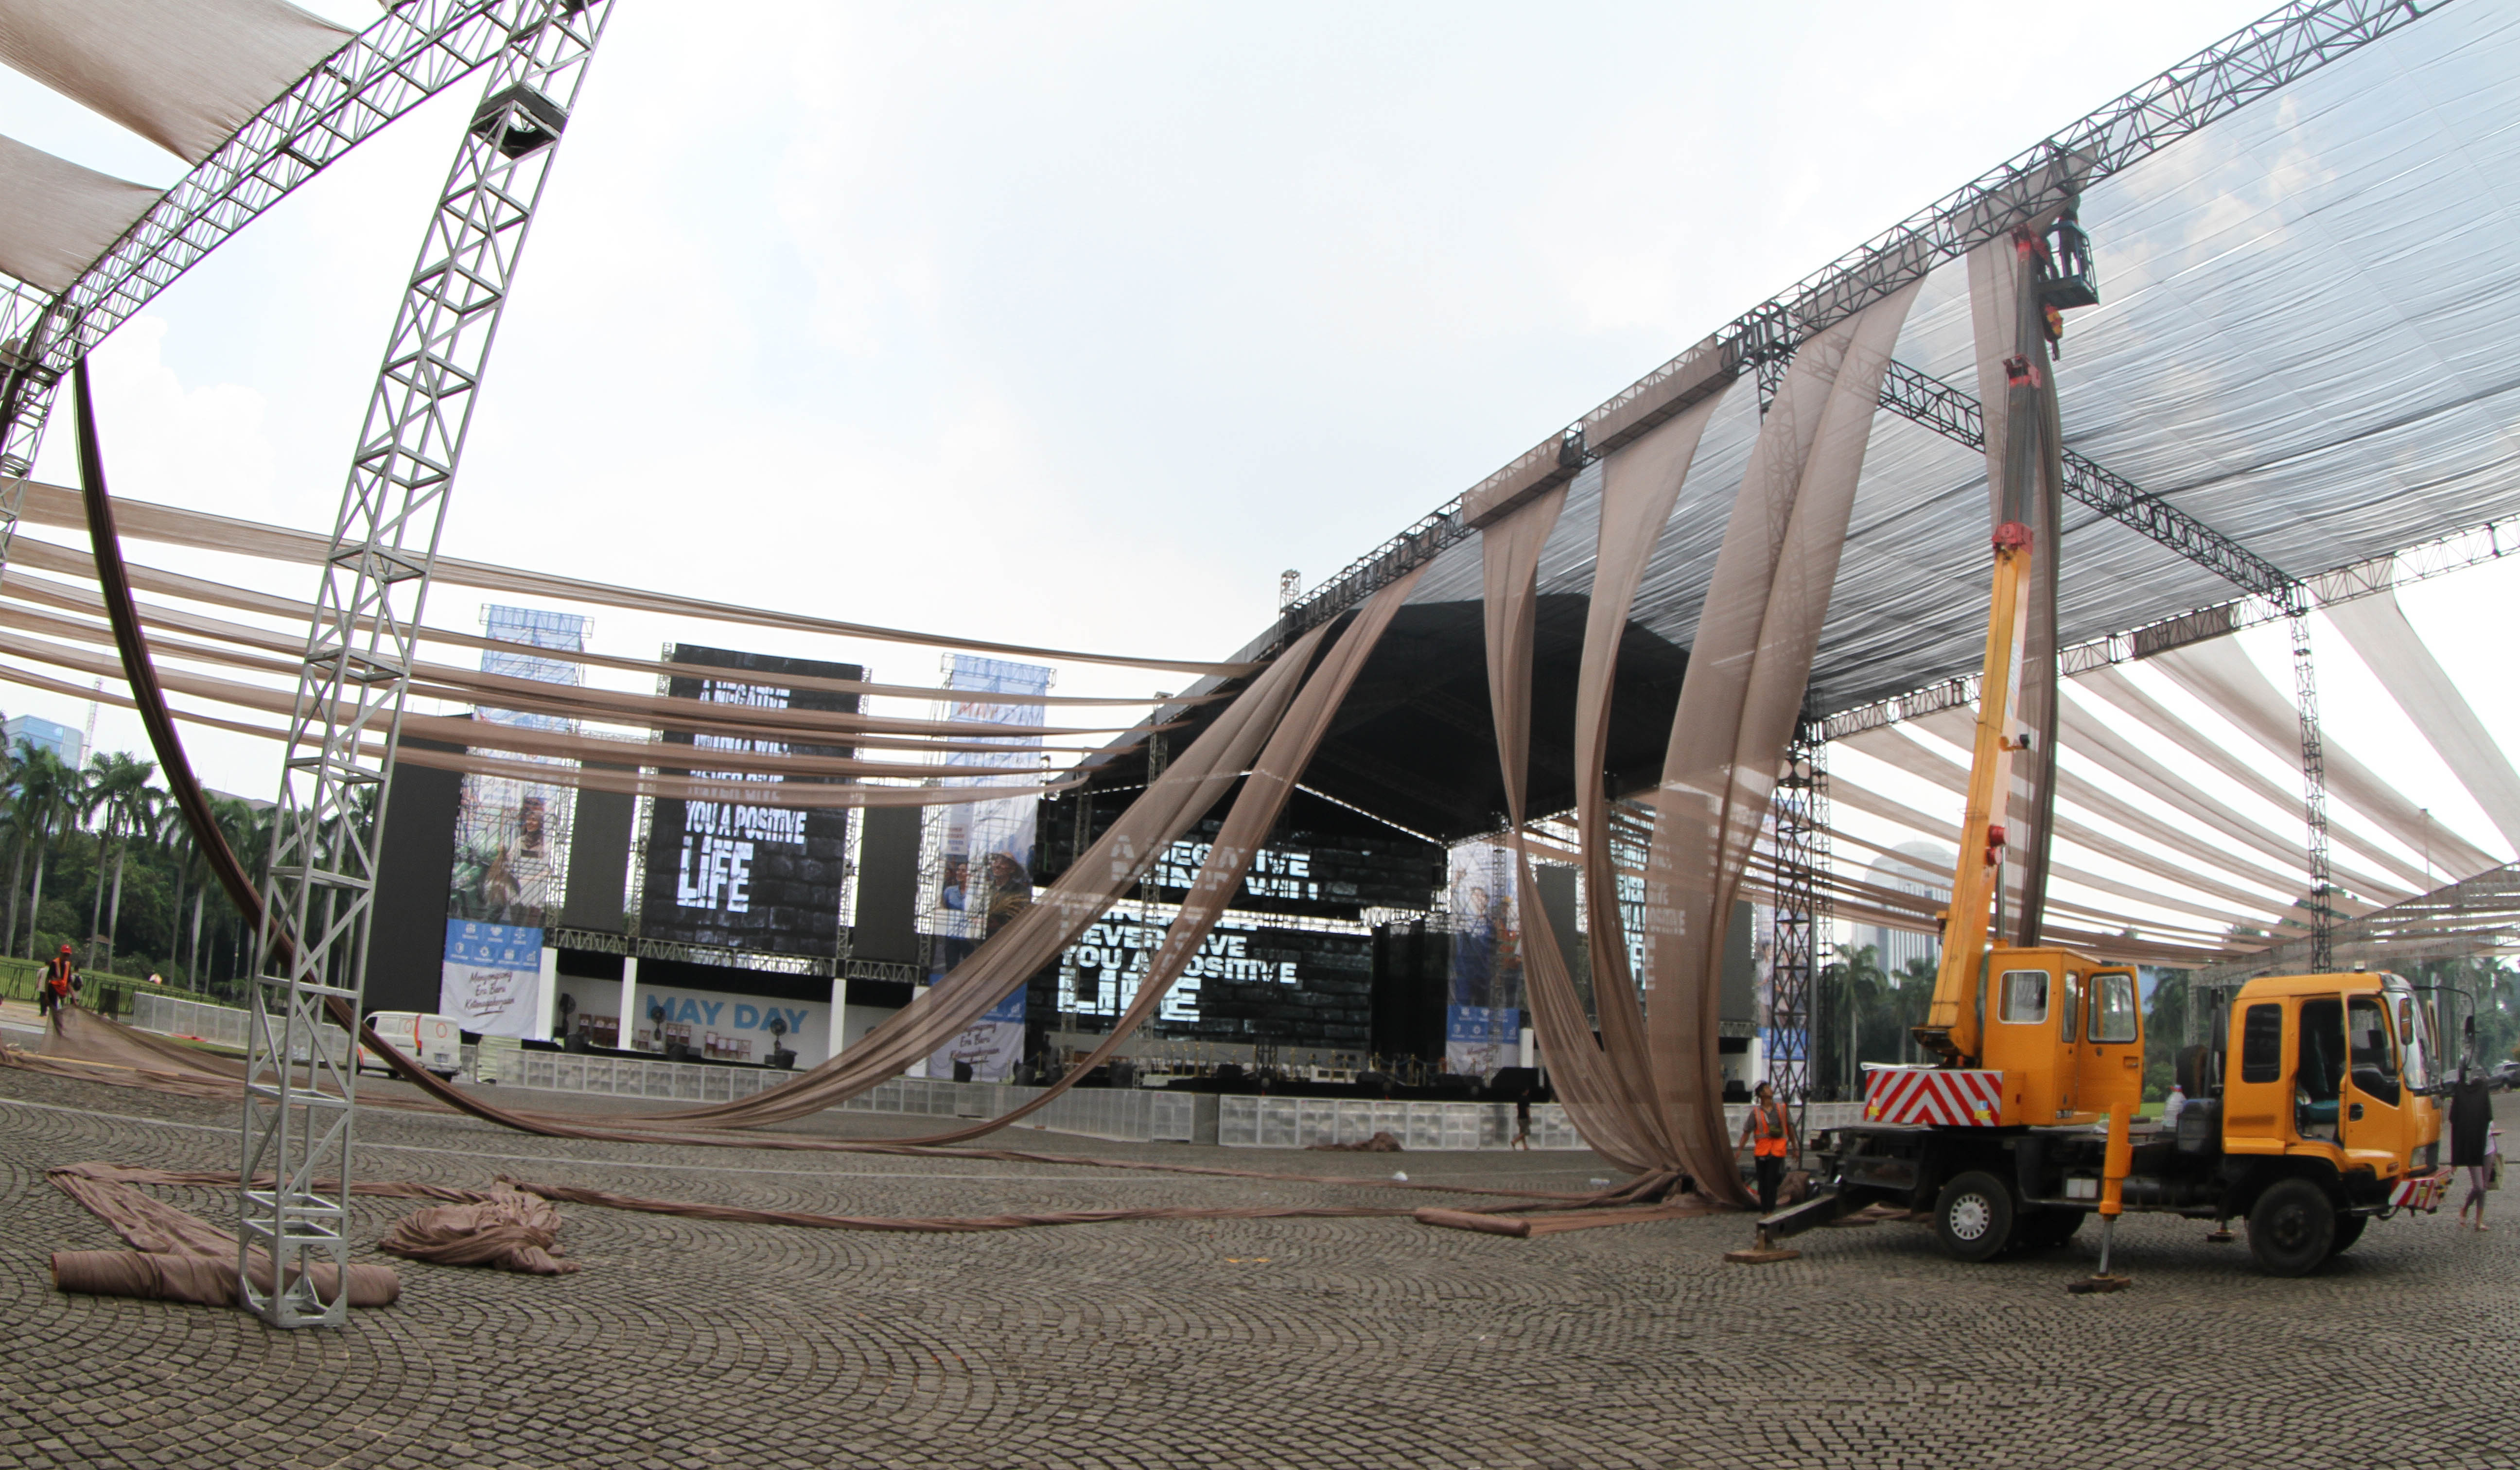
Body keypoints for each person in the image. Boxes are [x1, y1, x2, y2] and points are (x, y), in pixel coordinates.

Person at [1738, 1081, 1796, 1215]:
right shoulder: (1756, 1113)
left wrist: (1795, 1147)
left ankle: (1770, 1209)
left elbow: (1790, 1128)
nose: (1770, 1090)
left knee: (1771, 1179)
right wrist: (1740, 1149)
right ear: (1761, 1094)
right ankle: (1765, 1209)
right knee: (1763, 1181)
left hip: (1777, 1149)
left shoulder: (1782, 1109)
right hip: (1762, 1151)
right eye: (1767, 1088)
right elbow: (1747, 1132)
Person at [2452, 1071, 2495, 1231]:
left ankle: (2479, 1222)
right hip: (2473, 1150)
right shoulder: (2469, 1109)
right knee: (2479, 1187)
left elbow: (2490, 1125)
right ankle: (2465, 1209)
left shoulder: (2486, 1105)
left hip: (2489, 1149)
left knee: (2484, 1188)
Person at [37, 943, 77, 1032]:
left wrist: (74, 998)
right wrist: (47, 996)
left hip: (61, 992)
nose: (66, 957)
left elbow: (68, 983)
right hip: (53, 991)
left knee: (59, 1011)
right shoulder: (54, 963)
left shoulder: (68, 965)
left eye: (68, 955)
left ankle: (58, 1028)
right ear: (61, 954)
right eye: (64, 955)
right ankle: (58, 1029)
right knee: (57, 1010)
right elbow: (48, 980)